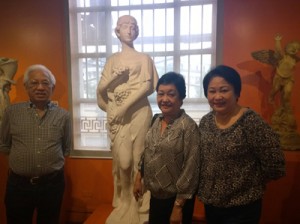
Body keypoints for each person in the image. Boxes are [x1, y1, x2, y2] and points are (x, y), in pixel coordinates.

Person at [197, 65, 286, 224]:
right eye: (212, 91)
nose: (217, 96)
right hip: (212, 206)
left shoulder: (251, 122)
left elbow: (275, 164)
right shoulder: (206, 122)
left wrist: (248, 183)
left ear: (237, 92)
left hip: (242, 209)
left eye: (224, 90)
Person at [96, 15, 158, 223]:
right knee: (123, 163)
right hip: (119, 117)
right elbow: (101, 92)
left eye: (133, 27)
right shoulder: (112, 60)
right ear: (117, 31)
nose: (130, 30)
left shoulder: (144, 58)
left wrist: (124, 106)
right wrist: (114, 106)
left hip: (139, 112)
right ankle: (123, 200)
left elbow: (147, 86)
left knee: (139, 157)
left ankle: (137, 203)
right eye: (125, 26)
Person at [0, 64, 72, 224]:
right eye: (34, 83)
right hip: (18, 186)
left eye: (46, 83)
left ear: (52, 87)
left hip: (52, 185)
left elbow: (66, 148)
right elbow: (4, 145)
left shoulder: (64, 115)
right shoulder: (11, 112)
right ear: (26, 86)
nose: (40, 87)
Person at [133, 72, 200, 224]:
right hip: (156, 196)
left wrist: (178, 207)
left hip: (177, 200)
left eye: (171, 94)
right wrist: (139, 177)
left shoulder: (188, 127)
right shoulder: (156, 120)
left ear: (181, 98)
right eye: (160, 94)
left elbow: (191, 169)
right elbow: (147, 151)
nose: (165, 99)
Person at [269, 34, 300, 108]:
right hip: (279, 77)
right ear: (286, 48)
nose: (294, 50)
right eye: (292, 48)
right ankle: (271, 96)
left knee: (288, 92)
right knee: (275, 89)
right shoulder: (283, 57)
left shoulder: (295, 59)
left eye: (297, 49)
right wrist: (277, 41)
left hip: (289, 79)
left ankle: (285, 106)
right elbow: (278, 50)